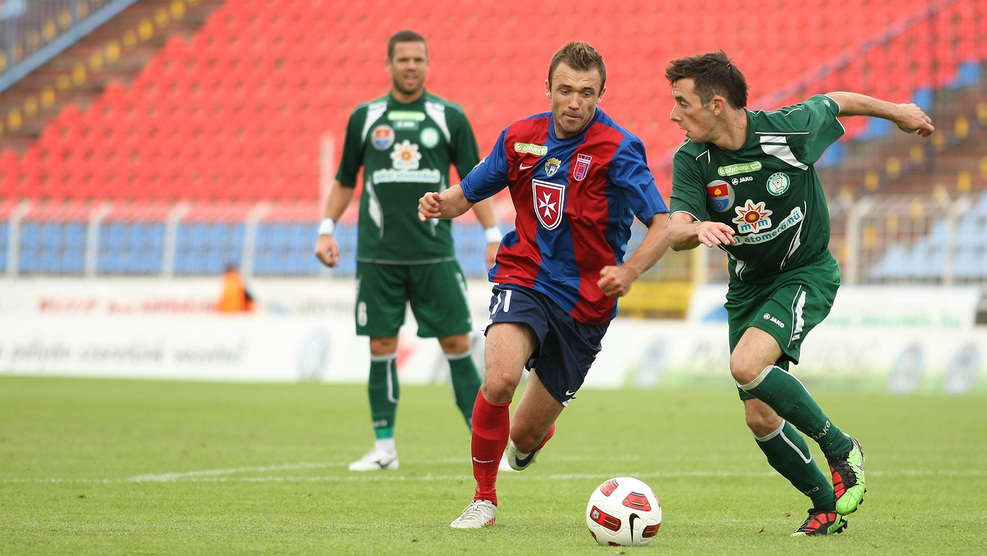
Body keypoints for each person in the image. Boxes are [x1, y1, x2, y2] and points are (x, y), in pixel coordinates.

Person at [664, 51, 935, 536]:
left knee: (746, 365)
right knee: (759, 417)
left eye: (682, 102)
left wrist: (897, 111)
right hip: (747, 288)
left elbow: (837, 100)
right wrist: (697, 226)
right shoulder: (693, 159)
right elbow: (675, 229)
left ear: (717, 105)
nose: (673, 114)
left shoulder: (786, 132)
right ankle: (825, 507)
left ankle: (841, 448)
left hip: (804, 273)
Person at [418, 41, 671, 529]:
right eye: (565, 90)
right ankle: (484, 499)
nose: (574, 102)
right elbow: (466, 193)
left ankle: (533, 436)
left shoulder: (619, 149)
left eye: (586, 93)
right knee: (499, 380)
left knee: (523, 437)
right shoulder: (520, 138)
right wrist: (439, 203)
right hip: (525, 274)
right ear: (548, 88)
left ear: (601, 94)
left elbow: (661, 223)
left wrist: (629, 272)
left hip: (586, 304)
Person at [314, 30, 500, 472]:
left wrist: (493, 235)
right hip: (378, 256)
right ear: (389, 64)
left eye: (418, 59)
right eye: (403, 59)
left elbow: (476, 181)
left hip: (434, 254)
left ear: (428, 63)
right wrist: (326, 229)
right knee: (381, 344)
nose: (411, 66)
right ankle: (384, 448)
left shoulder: (449, 116)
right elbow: (344, 181)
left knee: (457, 341)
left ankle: (486, 446)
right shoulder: (366, 118)